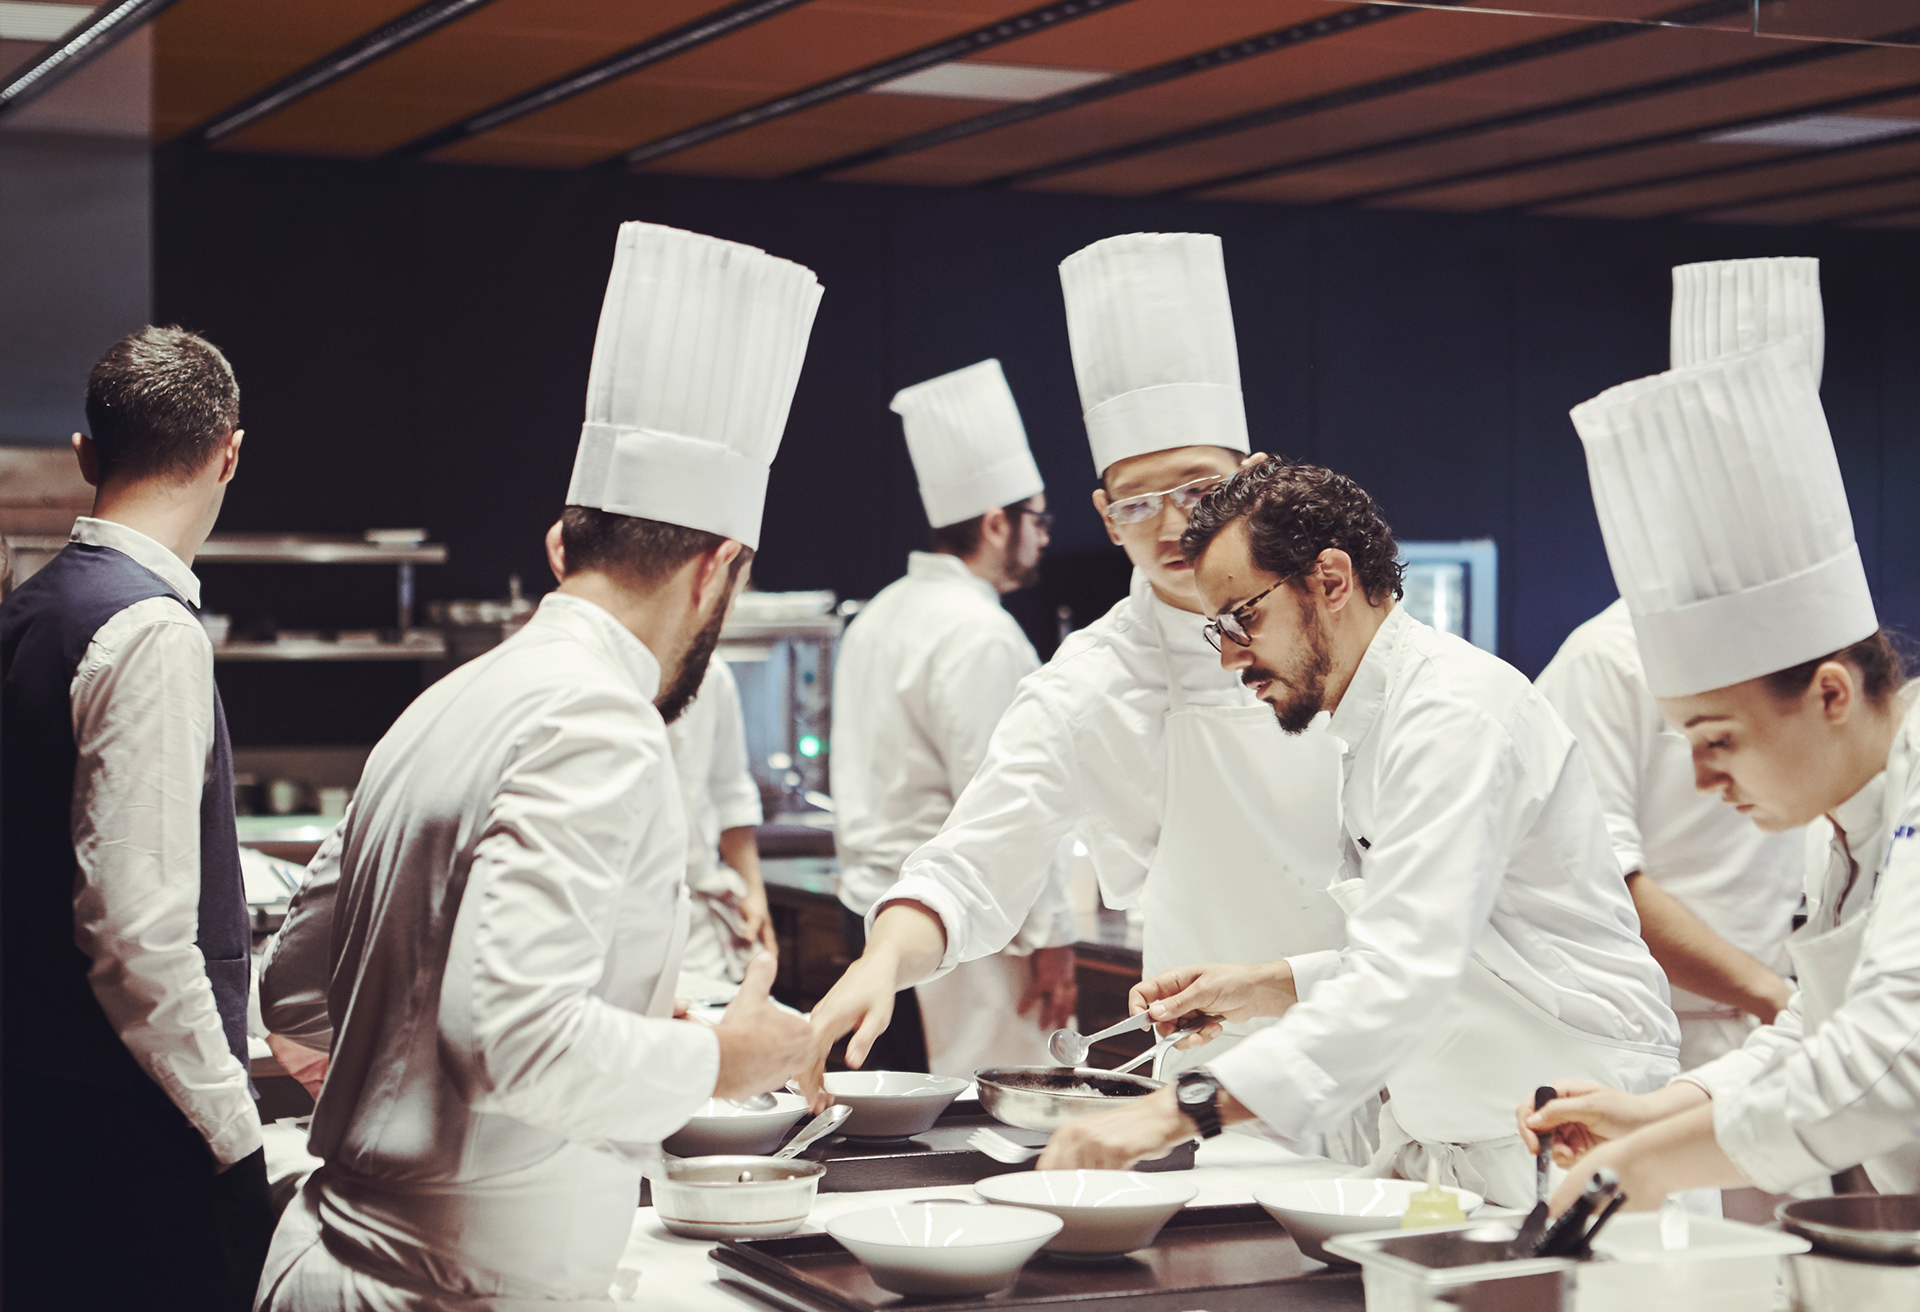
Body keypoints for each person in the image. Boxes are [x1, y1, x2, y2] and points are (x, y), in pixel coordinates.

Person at [253, 222, 818, 1309]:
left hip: (336, 1255)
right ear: (717, 570)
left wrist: (400, 1093)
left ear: (568, 544)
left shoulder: (448, 698)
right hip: (449, 1286)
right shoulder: (602, 720)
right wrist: (723, 1060)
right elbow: (514, 1040)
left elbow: (294, 988)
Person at [805, 232, 1365, 1160]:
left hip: (1390, 1039)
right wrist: (883, 958)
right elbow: (973, 862)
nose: (1176, 524)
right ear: (1106, 519)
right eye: (1138, 502)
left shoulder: (1344, 623)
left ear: (1255, 479)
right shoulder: (1087, 680)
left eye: (1200, 486)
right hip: (1214, 1077)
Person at [1030, 458, 1680, 1208]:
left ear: (1331, 581)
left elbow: (1405, 976)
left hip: (1573, 1154)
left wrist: (1174, 1112)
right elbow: (1457, 951)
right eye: (1217, 629)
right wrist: (1265, 986)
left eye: (1242, 618)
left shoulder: (1453, 717)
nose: (1230, 656)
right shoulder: (1373, 725)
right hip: (1469, 1150)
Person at [1522, 327, 1920, 1213]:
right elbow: (1820, 1027)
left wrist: (1642, 1168)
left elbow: (1895, 1058)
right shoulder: (1841, 818)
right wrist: (1657, 1111)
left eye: (1718, 740)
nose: (1705, 780)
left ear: (1830, 694)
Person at [0, 326, 274, 1310]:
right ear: (229, 454)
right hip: (127, 1145)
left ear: (86, 455)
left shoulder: (30, 610)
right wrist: (235, 1133)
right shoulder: (151, 629)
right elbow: (137, 938)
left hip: (38, 1122)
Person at [1532, 258, 1825, 1069]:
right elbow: (1599, 880)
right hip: (1663, 1035)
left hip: (1802, 1022)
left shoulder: (1824, 662)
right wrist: (1773, 996)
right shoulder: (1606, 658)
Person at [831, 360, 1077, 1077]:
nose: (1045, 536)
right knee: (975, 1125)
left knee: (892, 1119)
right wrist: (1052, 937)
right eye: (1037, 519)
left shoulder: (882, 612)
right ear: (997, 523)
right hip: (954, 937)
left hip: (871, 912)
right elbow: (1009, 800)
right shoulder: (981, 633)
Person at [671, 658, 777, 986]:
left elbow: (729, 790)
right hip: (617, 923)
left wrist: (752, 890)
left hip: (697, 919)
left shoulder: (709, 671)